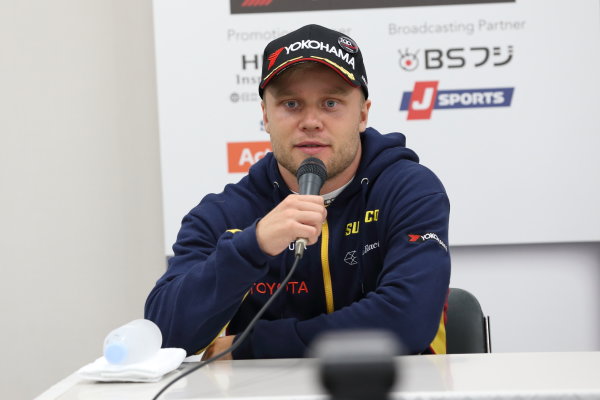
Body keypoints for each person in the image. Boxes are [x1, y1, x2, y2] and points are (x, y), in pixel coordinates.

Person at [145, 24, 450, 360]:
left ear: (362, 114)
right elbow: (162, 335)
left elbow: (408, 321)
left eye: (331, 103)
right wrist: (252, 246)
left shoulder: (408, 190)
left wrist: (254, 346)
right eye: (291, 104)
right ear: (265, 116)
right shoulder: (224, 213)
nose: (311, 121)